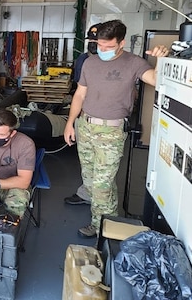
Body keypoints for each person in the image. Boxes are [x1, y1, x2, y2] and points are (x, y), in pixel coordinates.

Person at [63, 19, 169, 238]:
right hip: (85, 126)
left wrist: (161, 60)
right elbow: (80, 94)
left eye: (108, 47)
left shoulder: (134, 63)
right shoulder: (90, 63)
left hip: (110, 132)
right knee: (92, 181)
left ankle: (102, 227)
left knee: (102, 184)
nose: (102, 50)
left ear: (121, 43)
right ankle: (110, 220)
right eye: (100, 45)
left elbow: (156, 81)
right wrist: (70, 123)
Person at [64, 23, 101, 206]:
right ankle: (86, 193)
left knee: (103, 166)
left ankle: (102, 206)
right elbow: (79, 91)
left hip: (105, 121)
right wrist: (72, 120)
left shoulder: (113, 62)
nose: (93, 43)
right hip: (84, 116)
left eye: (96, 39)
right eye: (91, 39)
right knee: (86, 160)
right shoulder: (82, 60)